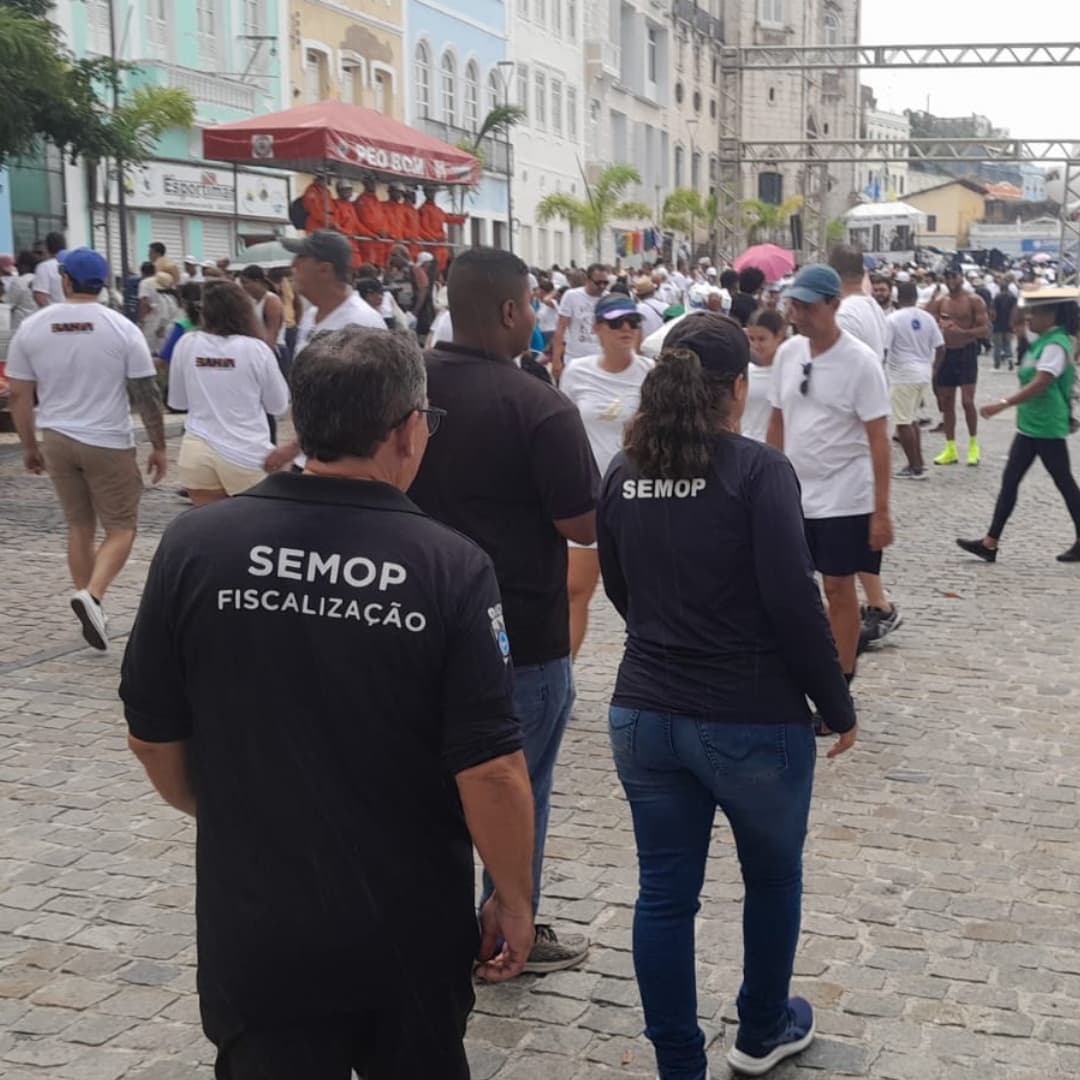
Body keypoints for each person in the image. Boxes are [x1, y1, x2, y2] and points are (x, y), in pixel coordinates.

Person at [121, 326, 536, 1080]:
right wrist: (513, 896)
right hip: (405, 925)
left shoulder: (196, 545)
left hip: (256, 919)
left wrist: (238, 810)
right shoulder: (450, 565)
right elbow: (494, 770)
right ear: (408, 430)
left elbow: (151, 736)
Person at [597, 312, 856, 1080]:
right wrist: (836, 703)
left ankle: (680, 1062)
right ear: (739, 389)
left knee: (664, 893)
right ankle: (762, 1028)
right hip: (749, 719)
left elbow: (620, 585)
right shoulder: (757, 470)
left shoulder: (623, 467)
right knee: (772, 878)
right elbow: (792, 599)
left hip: (643, 711)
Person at [409, 247, 598, 973]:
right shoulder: (540, 407)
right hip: (518, 635)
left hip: (411, 622)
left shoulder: (403, 384)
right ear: (513, 310)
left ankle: (428, 917)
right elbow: (581, 524)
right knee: (520, 791)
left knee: (421, 786)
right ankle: (508, 921)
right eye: (533, 305)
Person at [6, 248, 166, 651]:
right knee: (122, 527)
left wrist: (29, 445)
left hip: (57, 437)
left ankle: (90, 603)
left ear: (64, 280)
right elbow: (145, 394)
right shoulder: (121, 327)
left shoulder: (33, 327)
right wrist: (159, 445)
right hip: (107, 440)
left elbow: (20, 396)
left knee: (79, 526)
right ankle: (92, 596)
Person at [766, 265, 894, 698]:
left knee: (839, 588)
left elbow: (879, 438)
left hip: (845, 494)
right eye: (793, 305)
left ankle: (840, 681)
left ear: (834, 305)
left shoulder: (860, 362)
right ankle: (802, 667)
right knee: (789, 589)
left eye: (807, 306)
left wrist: (882, 510)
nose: (798, 314)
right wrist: (766, 483)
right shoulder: (787, 353)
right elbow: (778, 420)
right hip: (794, 494)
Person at [560, 293, 652, 660]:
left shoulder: (650, 372)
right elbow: (562, 432)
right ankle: (564, 677)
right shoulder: (577, 372)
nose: (626, 329)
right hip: (590, 498)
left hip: (638, 497)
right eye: (616, 323)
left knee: (645, 595)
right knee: (574, 591)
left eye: (632, 321)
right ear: (597, 328)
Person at [957, 292, 1080, 565]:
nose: (1029, 318)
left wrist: (1002, 404)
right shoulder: (1043, 342)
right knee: (1011, 480)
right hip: (1031, 425)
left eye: (1034, 314)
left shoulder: (1055, 346)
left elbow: (1041, 383)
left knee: (1064, 483)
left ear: (1050, 316)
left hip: (1047, 426)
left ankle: (992, 542)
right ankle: (990, 542)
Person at [830, 246, 900, 651]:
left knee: (846, 531)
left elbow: (845, 366)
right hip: (863, 422)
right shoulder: (871, 307)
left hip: (851, 426)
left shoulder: (848, 314)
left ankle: (869, 606)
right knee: (855, 533)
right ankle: (877, 603)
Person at [168, 280, 289, 507]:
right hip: (247, 453)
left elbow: (178, 401)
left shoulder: (187, 344)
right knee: (253, 530)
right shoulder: (256, 349)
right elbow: (278, 406)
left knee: (210, 532)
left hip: (197, 449)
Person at [928, 267, 989, 466]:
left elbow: (984, 330)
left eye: (953, 275)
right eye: (947, 276)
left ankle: (973, 444)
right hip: (947, 353)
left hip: (966, 352)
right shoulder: (941, 301)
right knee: (946, 402)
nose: (950, 279)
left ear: (961, 277)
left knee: (967, 402)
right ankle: (950, 447)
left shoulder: (973, 300)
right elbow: (925, 316)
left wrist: (962, 332)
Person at [886, 281, 944, 480]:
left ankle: (914, 466)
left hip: (902, 374)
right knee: (912, 420)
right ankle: (919, 462)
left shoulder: (892, 319)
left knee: (902, 423)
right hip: (923, 373)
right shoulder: (927, 318)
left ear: (897, 297)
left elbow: (885, 349)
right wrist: (934, 369)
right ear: (916, 297)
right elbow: (941, 346)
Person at [552, 263, 607, 378]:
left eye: (605, 283)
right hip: (575, 359)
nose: (602, 286)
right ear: (587, 280)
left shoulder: (608, 298)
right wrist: (556, 360)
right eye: (598, 283)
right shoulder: (572, 296)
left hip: (600, 361)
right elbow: (561, 329)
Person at [745, 308, 786, 442]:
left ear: (779, 336)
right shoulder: (743, 371)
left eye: (762, 339)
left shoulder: (787, 373)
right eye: (751, 339)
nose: (755, 345)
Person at [238, 265, 286, 359]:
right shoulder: (252, 301)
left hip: (273, 350)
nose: (243, 287)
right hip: (258, 349)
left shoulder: (271, 300)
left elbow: (272, 332)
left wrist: (267, 356)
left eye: (246, 283)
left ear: (257, 281)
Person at [419, 184, 465, 275]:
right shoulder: (423, 209)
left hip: (442, 245)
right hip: (432, 245)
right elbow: (423, 227)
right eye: (429, 192)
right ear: (425, 193)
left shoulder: (438, 210)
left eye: (433, 192)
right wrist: (434, 238)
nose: (431, 194)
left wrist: (461, 218)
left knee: (442, 268)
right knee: (432, 269)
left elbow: (448, 218)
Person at [330, 180, 365, 269]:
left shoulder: (350, 206)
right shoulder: (335, 205)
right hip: (341, 245)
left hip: (353, 245)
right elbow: (335, 226)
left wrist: (373, 235)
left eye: (349, 190)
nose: (348, 192)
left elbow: (357, 224)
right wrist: (348, 233)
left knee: (357, 268)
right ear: (339, 191)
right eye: (345, 190)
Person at [5, 251, 40, 330]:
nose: (16, 268)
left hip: (20, 328)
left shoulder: (19, 281)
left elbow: (7, 305)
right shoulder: (40, 280)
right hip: (38, 327)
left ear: (25, 266)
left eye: (17, 265)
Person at [32, 231, 66, 307]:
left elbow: (39, 296)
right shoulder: (71, 264)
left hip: (55, 315)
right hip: (72, 314)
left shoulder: (44, 267)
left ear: (47, 247)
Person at [991, 284, 1018, 371]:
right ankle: (1010, 359)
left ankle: (997, 364)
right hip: (1009, 324)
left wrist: (992, 321)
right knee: (1008, 343)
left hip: (998, 324)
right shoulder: (1013, 298)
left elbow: (993, 311)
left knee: (997, 345)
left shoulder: (997, 297)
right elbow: (1015, 310)